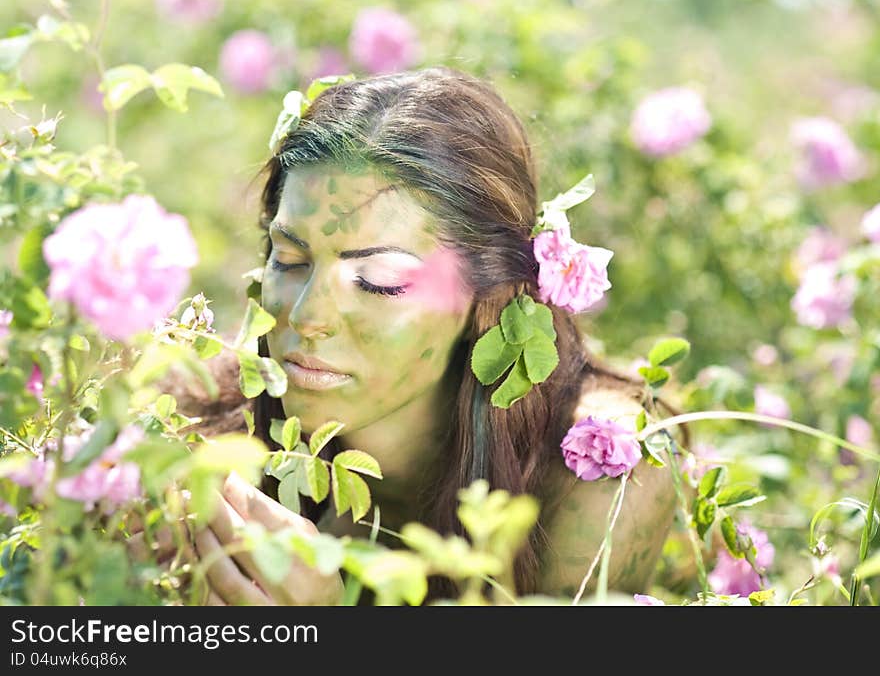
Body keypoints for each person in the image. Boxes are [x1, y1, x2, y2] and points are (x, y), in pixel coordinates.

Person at [170, 66, 683, 605]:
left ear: (487, 300)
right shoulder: (202, 423)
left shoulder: (602, 468)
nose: (308, 316)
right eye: (291, 259)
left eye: (381, 281)